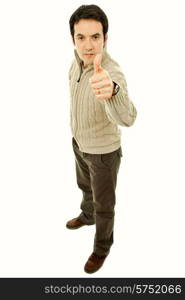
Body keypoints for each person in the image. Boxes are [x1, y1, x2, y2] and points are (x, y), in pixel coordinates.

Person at [66, 4, 137, 274]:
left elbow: (128, 117)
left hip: (103, 154)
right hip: (79, 144)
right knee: (85, 186)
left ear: (105, 38)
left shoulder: (111, 72)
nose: (88, 45)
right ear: (73, 39)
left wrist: (113, 91)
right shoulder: (75, 65)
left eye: (95, 37)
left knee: (105, 206)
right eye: (81, 37)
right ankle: (87, 215)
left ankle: (102, 247)